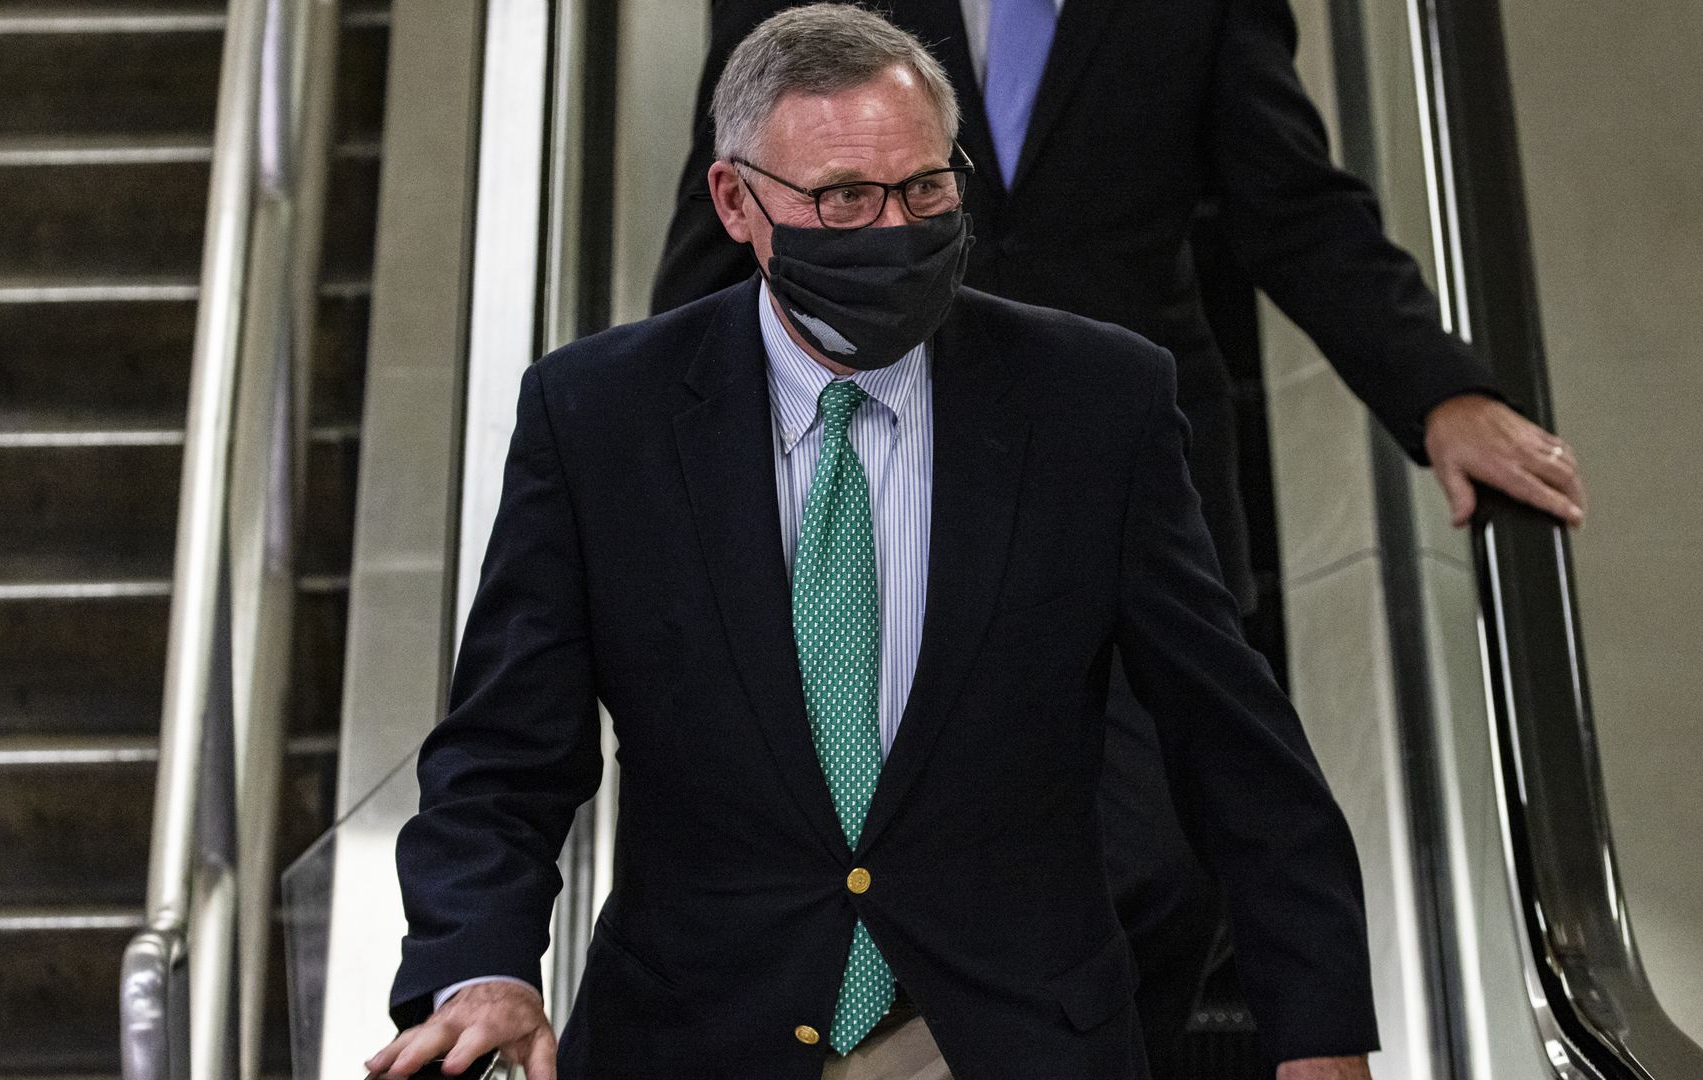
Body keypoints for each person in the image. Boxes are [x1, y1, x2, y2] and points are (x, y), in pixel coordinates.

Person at [370, 7, 1379, 1078]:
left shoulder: (1097, 403)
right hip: (697, 1036)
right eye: (844, 199)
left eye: (926, 189)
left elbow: (1235, 746)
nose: (894, 229)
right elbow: (501, 756)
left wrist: (1319, 1038)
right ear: (737, 203)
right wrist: (481, 963)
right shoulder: (603, 418)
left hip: (1005, 1038)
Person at [650, 0, 1590, 1066]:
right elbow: (720, 236)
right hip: (874, 487)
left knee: (1156, 862)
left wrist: (1437, 391)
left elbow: (1292, 202)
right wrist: (660, 478)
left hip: (1121, 491)